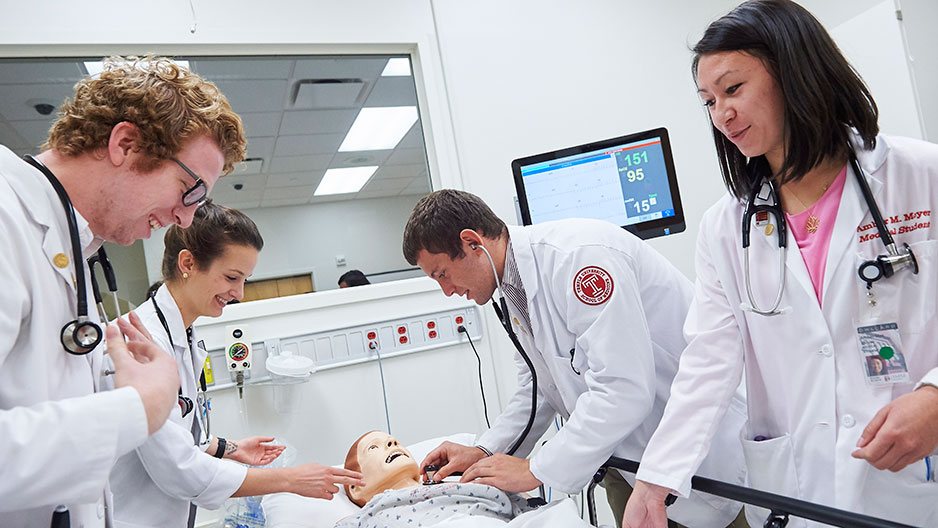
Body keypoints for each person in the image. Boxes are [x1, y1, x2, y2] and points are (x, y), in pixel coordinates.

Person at [624, 2, 938, 527]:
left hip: (909, 483)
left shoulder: (921, 177)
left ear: (796, 73)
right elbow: (709, 361)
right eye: (708, 101)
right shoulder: (727, 228)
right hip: (797, 491)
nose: (721, 114)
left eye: (733, 89)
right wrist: (656, 478)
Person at [401, 189, 749, 528]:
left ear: (471, 243)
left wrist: (536, 470)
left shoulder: (580, 260)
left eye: (442, 274)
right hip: (623, 461)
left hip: (698, 461)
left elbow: (624, 390)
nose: (447, 291)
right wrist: (486, 450)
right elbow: (538, 387)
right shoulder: (513, 286)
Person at [0, 55, 247, 525]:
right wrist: (136, 409)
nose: (186, 217)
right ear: (125, 144)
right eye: (189, 189)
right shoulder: (6, 219)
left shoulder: (71, 248)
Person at [110, 200, 366, 527]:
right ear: (188, 263)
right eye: (232, 277)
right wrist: (290, 479)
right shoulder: (138, 341)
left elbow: (178, 431)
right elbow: (179, 468)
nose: (240, 293)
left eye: (245, 279)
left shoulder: (181, 335)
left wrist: (230, 448)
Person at [337, 431, 562, 528]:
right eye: (373, 448)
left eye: (394, 441)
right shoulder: (368, 514)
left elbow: (527, 506)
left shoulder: (465, 479)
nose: (392, 444)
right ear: (356, 488)